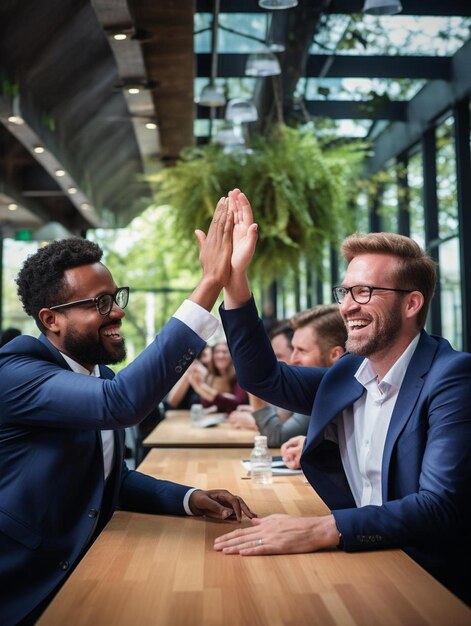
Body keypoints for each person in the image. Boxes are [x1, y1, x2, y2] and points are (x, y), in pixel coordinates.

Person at [0, 199, 255, 625]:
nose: (117, 311)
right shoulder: (16, 371)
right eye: (99, 303)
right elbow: (121, 404)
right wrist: (210, 282)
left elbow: (108, 477)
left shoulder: (91, 371)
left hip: (91, 566)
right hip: (26, 587)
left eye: (115, 297)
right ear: (51, 320)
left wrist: (190, 499)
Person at [214, 188, 471, 606]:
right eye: (346, 292)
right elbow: (261, 377)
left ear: (412, 304)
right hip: (366, 561)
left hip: (431, 581)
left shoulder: (452, 377)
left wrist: (324, 528)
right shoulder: (346, 374)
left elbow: (440, 507)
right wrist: (235, 279)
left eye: (365, 292)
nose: (348, 307)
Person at [229, 307, 347, 447]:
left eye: (302, 351)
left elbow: (277, 437)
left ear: (334, 355)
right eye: (293, 349)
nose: (293, 358)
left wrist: (256, 388)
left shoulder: (328, 392)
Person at [188, 341, 248, 413]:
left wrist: (202, 387)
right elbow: (206, 404)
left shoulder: (240, 375)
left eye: (224, 352)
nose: (220, 356)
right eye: (217, 352)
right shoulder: (210, 377)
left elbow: (238, 403)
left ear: (231, 355)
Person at [165, 345, 212, 410]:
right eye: (202, 355)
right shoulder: (190, 371)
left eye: (208, 356)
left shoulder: (214, 376)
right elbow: (172, 403)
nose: (206, 360)